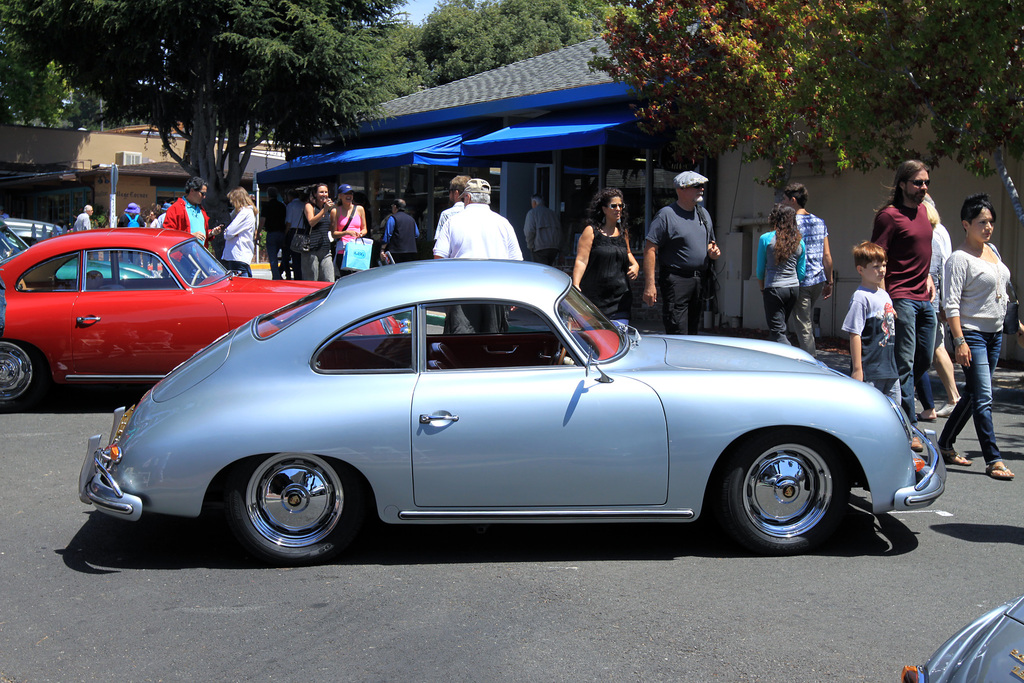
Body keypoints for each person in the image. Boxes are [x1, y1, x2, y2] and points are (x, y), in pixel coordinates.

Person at [938, 193, 1024, 479]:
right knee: (985, 396)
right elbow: (950, 304)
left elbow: (1003, 291)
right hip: (972, 334)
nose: (988, 227)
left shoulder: (994, 251)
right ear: (966, 224)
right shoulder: (959, 259)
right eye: (981, 222)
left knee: (975, 394)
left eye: (991, 222)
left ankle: (945, 443)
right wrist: (959, 340)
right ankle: (993, 459)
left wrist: (1016, 324)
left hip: (995, 333)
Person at [871, 160, 935, 451]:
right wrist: (884, 299)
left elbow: (924, 250)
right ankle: (907, 426)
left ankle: (900, 414)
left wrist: (930, 276)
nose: (923, 188)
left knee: (925, 359)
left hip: (924, 296)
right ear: (902, 184)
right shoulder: (889, 216)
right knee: (905, 364)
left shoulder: (924, 212)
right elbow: (877, 259)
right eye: (918, 182)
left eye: (926, 183)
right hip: (900, 296)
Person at [643, 170, 721, 334]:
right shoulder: (666, 215)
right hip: (676, 280)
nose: (702, 189)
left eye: (702, 186)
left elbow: (709, 244)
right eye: (696, 186)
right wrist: (650, 285)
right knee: (678, 328)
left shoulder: (703, 214)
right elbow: (650, 249)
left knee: (693, 331)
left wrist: (712, 252)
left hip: (698, 280)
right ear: (681, 189)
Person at [916, 196, 962, 421]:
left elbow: (942, 266)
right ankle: (953, 398)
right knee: (936, 347)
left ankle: (952, 398)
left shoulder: (931, 231)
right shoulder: (941, 230)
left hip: (930, 298)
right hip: (936, 298)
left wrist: (944, 300)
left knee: (933, 349)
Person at [842, 241, 899, 404]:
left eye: (884, 265)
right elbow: (854, 333)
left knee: (895, 414)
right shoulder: (860, 297)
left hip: (890, 370)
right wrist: (858, 369)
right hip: (870, 371)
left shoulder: (884, 295)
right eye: (876, 266)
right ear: (861, 270)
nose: (881, 270)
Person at [572, 188, 639, 326]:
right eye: (613, 206)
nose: (618, 209)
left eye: (621, 205)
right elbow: (581, 260)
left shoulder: (622, 232)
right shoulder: (591, 232)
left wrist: (636, 265)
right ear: (604, 209)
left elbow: (627, 253)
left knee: (618, 342)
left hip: (620, 299)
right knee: (595, 342)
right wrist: (576, 284)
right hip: (594, 298)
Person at [782, 183, 833, 355]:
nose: (783, 203)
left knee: (803, 325)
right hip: (818, 281)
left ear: (793, 200)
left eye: (785, 199)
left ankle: (812, 362)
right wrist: (830, 281)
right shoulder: (820, 222)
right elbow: (827, 256)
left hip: (800, 279)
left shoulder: (790, 224)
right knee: (804, 321)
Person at [433, 178, 522, 261]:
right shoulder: (504, 224)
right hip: (497, 276)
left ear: (468, 197)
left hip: (462, 276)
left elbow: (439, 257)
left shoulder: (452, 222)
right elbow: (516, 260)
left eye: (464, 198)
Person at [756, 204, 806, 344]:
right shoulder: (800, 241)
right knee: (779, 328)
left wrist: (762, 288)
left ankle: (791, 361)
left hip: (774, 288)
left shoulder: (766, 239)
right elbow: (801, 272)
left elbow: (760, 270)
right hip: (793, 289)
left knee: (778, 332)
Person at [208, 187, 257, 276]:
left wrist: (227, 232)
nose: (232, 203)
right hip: (240, 254)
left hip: (238, 254)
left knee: (241, 283)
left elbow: (229, 233)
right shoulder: (246, 212)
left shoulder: (244, 212)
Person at [302, 183, 335, 282]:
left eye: (326, 192)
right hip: (311, 249)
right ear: (315, 194)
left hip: (325, 249)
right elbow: (311, 222)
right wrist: (324, 210)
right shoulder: (309, 206)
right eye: (321, 192)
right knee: (312, 281)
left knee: (329, 280)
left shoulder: (328, 209)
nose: (324, 194)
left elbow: (330, 227)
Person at [163, 176, 211, 244]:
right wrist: (190, 236)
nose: (204, 197)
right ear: (192, 191)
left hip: (199, 253)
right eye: (202, 193)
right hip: (182, 253)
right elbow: (168, 233)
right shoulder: (175, 209)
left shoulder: (201, 209)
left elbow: (201, 233)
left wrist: (211, 233)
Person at [331, 184, 368, 271]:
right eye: (346, 193)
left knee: (358, 278)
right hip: (343, 249)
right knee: (345, 277)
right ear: (340, 196)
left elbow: (365, 229)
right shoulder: (335, 211)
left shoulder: (360, 209)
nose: (349, 196)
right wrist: (347, 232)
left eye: (350, 193)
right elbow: (334, 234)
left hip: (357, 249)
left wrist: (361, 233)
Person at [524, 194, 562, 265]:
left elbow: (529, 231)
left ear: (534, 203)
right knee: (550, 270)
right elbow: (559, 232)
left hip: (539, 248)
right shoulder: (553, 213)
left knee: (540, 271)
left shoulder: (532, 213)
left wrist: (530, 246)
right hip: (554, 248)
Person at [434, 175, 469, 245]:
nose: (449, 194)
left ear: (456, 193)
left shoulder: (446, 214)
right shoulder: (477, 213)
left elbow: (439, 242)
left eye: (449, 191)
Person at [261, 187, 287, 280]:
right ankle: (281, 272)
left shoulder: (266, 206)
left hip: (271, 233)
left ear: (268, 195)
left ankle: (276, 277)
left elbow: (262, 220)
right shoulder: (282, 206)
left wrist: (258, 232)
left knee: (273, 258)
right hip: (282, 232)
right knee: (285, 256)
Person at [381, 198, 418, 263]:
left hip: (396, 251)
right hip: (411, 251)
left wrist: (382, 249)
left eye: (392, 206)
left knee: (396, 271)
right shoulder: (411, 219)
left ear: (395, 207)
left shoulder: (393, 218)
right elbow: (417, 234)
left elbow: (388, 235)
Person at [283, 189, 305, 280]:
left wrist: (285, 234)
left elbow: (288, 222)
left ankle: (294, 276)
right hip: (303, 232)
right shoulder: (304, 205)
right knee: (301, 257)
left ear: (290, 196)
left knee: (291, 255)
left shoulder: (291, 206)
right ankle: (301, 276)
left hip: (293, 232)